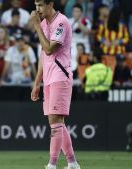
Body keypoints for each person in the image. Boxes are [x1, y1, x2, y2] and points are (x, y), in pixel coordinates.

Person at [29, 0, 81, 169]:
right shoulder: (44, 23)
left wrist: (36, 26)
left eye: (41, 5)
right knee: (57, 122)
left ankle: (52, 165)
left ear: (50, 4)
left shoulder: (62, 22)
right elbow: (43, 57)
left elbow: (50, 49)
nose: (38, 10)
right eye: (36, 6)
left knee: (55, 120)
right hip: (49, 78)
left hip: (61, 75)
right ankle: (72, 163)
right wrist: (37, 83)